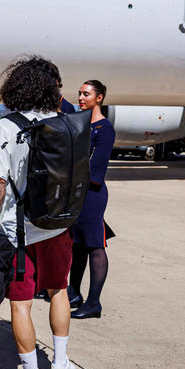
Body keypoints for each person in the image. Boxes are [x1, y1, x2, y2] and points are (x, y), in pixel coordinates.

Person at [0, 55, 76, 369]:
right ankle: (61, 365)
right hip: (56, 227)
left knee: (20, 304)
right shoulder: (64, 124)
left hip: (18, 231)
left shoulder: (6, 127)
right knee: (58, 291)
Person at [67, 80, 115, 320]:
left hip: (92, 193)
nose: (81, 97)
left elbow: (97, 167)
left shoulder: (104, 129)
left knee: (95, 245)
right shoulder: (79, 122)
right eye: (79, 93)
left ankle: (94, 302)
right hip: (77, 190)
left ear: (99, 98)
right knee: (77, 244)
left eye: (86, 94)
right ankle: (73, 293)